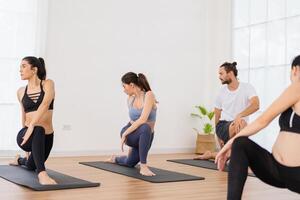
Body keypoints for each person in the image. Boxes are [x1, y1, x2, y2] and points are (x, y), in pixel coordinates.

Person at [216, 55, 300, 199]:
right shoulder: (222, 92)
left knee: (238, 142)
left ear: (295, 70)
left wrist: (227, 144)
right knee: (241, 143)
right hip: (276, 170)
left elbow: (262, 120)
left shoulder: (297, 86)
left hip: (295, 174)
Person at [195, 62, 259, 160]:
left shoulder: (247, 88)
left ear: (230, 73)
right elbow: (217, 116)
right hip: (223, 126)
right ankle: (233, 156)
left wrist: (239, 115)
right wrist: (218, 136)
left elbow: (256, 105)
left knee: (241, 124)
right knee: (241, 123)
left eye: (221, 73)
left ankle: (214, 154)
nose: (219, 76)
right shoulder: (221, 92)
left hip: (240, 126)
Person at [9, 56, 56, 185]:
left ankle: (19, 160)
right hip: (25, 136)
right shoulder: (20, 91)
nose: (20, 70)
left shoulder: (48, 84)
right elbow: (23, 116)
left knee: (31, 165)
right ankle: (42, 174)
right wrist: (27, 136)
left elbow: (45, 104)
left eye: (23, 66)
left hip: (46, 136)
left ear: (34, 69)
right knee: (38, 129)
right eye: (20, 67)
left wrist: (32, 126)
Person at [107, 72, 157, 176]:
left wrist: (126, 134)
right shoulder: (130, 99)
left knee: (129, 163)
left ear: (131, 85)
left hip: (143, 136)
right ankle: (144, 166)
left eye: (124, 86)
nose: (124, 90)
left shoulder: (149, 95)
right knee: (145, 127)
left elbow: (142, 119)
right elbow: (133, 122)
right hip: (131, 133)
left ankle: (115, 158)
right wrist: (125, 133)